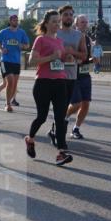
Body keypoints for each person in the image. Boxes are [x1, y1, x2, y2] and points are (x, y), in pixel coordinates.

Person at [25, 11, 73, 166]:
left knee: (60, 118)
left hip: (60, 82)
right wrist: (51, 58)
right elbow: (32, 61)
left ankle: (61, 152)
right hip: (43, 83)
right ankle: (30, 139)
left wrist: (67, 57)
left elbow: (61, 59)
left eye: (58, 21)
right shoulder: (40, 39)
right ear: (46, 23)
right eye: (54, 21)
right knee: (42, 117)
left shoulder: (59, 41)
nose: (57, 24)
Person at [48, 6, 87, 146]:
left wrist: (73, 53)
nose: (69, 17)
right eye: (66, 15)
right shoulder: (54, 33)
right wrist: (60, 55)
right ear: (60, 17)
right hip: (56, 75)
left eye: (71, 14)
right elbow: (46, 52)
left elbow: (84, 55)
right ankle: (60, 139)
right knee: (60, 106)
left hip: (71, 75)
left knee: (69, 105)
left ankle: (55, 130)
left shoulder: (78, 35)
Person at [65, 14, 94, 139]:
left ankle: (76, 129)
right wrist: (75, 59)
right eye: (82, 22)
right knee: (76, 103)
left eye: (86, 22)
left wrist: (94, 59)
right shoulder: (71, 38)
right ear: (76, 24)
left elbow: (89, 57)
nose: (85, 24)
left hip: (85, 74)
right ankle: (64, 117)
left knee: (86, 104)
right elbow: (66, 55)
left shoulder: (88, 39)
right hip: (72, 75)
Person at [0, 14, 31, 112]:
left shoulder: (21, 32)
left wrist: (22, 45)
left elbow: (27, 45)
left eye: (17, 20)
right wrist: (2, 48)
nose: (16, 21)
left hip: (16, 61)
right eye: (14, 20)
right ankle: (7, 104)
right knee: (10, 81)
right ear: (10, 21)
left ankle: (9, 101)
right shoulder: (4, 32)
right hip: (5, 60)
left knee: (14, 84)